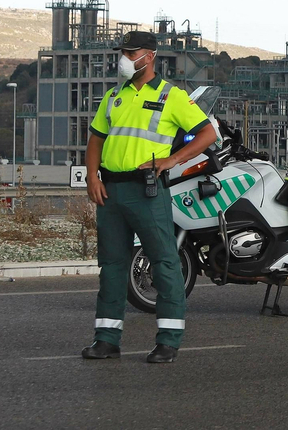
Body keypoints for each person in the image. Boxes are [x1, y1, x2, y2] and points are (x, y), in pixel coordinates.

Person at [81, 30, 217, 364]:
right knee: (112, 267)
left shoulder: (172, 96)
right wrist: (91, 176)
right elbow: (96, 139)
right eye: (123, 53)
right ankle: (106, 339)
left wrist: (172, 160)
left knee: (165, 264)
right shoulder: (115, 95)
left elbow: (207, 132)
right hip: (110, 192)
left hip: (147, 189)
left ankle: (168, 341)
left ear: (150, 56)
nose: (125, 58)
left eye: (131, 53)